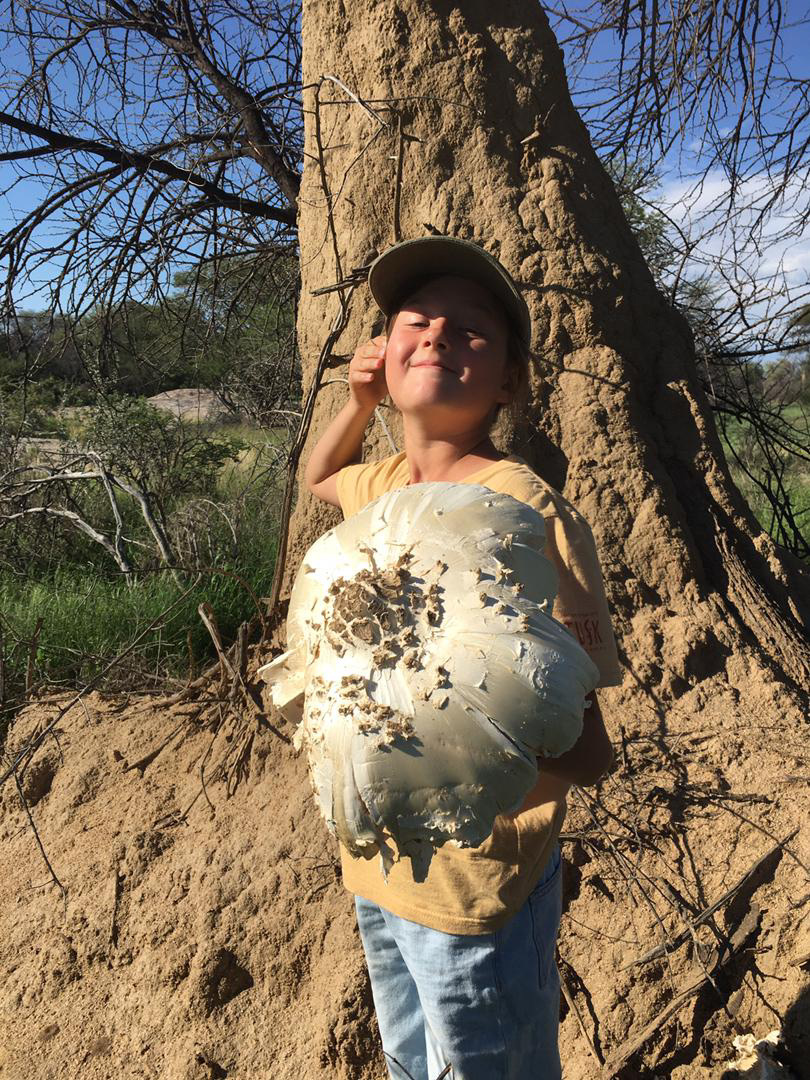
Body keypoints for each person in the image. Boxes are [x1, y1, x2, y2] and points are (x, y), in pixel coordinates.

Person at [304, 235, 621, 1080]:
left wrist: (454, 793)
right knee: (412, 1061)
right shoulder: (386, 485)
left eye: (471, 327)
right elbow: (319, 477)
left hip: (477, 895)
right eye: (415, 320)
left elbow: (588, 750)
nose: (438, 334)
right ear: (386, 350)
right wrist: (358, 405)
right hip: (378, 873)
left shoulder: (525, 513)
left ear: (510, 380)